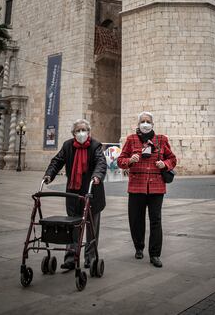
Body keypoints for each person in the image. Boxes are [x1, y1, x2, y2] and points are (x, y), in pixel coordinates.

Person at [43, 119, 107, 270]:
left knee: (92, 228)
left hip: (92, 192)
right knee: (72, 227)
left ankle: (90, 258)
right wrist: (49, 174)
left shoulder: (95, 145)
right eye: (78, 130)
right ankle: (71, 258)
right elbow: (57, 161)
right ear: (73, 133)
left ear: (89, 132)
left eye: (84, 130)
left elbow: (101, 162)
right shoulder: (67, 146)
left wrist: (97, 175)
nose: (81, 133)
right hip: (73, 194)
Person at [117, 111, 177, 268]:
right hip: (136, 186)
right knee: (136, 220)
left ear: (152, 124)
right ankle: (139, 247)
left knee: (156, 221)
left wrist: (165, 164)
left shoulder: (161, 140)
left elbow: (172, 158)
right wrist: (130, 160)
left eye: (148, 121)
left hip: (157, 187)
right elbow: (120, 161)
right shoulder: (131, 140)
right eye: (142, 121)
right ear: (138, 124)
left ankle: (155, 254)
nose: (145, 124)